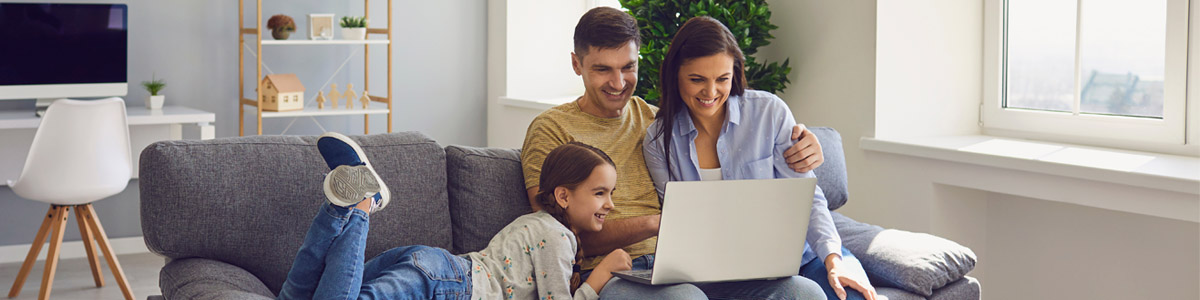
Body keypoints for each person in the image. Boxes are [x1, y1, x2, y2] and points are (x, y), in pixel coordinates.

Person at [520, 7, 828, 299]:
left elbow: (719, 126)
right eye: (603, 70)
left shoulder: (656, 124)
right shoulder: (551, 129)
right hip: (610, 273)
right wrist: (656, 223)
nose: (618, 83)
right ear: (577, 64)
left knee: (804, 292)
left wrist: (804, 141)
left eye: (628, 67)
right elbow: (553, 233)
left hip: (684, 267)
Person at [642, 16, 880, 300]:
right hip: (718, 275)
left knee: (854, 296)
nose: (711, 91)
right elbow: (676, 226)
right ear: (675, 76)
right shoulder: (659, 141)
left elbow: (808, 198)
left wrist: (834, 260)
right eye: (697, 80)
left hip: (803, 258)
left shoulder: (770, 112)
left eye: (723, 79)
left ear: (735, 73)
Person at [277, 133, 632, 299]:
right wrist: (600, 275)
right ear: (564, 196)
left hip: (433, 266)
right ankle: (362, 205)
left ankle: (338, 207)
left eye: (610, 193)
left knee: (300, 296)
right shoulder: (557, 237)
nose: (610, 204)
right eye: (600, 193)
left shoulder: (537, 224)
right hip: (448, 283)